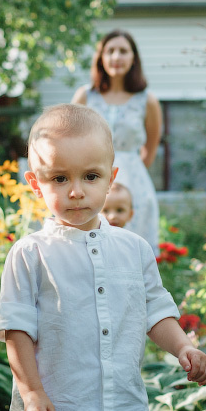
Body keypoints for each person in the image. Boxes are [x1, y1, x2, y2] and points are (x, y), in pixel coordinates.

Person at [0, 103, 206, 411]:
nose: (76, 190)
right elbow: (16, 330)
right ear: (36, 185)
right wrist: (32, 392)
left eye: (90, 177)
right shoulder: (29, 254)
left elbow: (156, 311)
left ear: (111, 179)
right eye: (59, 178)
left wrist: (183, 347)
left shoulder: (134, 248)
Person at [72, 29, 161, 251]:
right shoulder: (85, 96)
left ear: (133, 58)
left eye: (123, 51)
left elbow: (151, 146)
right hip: (89, 177)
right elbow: (69, 139)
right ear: (101, 57)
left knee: (133, 247)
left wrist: (132, 170)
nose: (116, 57)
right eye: (110, 51)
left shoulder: (147, 100)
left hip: (134, 180)